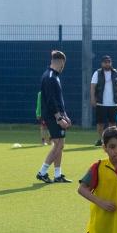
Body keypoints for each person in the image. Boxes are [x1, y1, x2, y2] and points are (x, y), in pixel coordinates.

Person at [37, 50, 71, 184]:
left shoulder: (54, 76)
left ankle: (58, 175)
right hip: (52, 116)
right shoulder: (50, 77)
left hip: (57, 115)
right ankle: (42, 172)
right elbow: (51, 101)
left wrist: (65, 115)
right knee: (57, 144)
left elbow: (58, 99)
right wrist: (59, 118)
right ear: (61, 62)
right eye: (64, 64)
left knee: (60, 144)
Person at [90, 55, 117, 146]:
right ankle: (100, 140)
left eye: (109, 62)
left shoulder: (116, 73)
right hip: (101, 102)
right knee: (100, 123)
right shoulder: (97, 73)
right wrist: (92, 98)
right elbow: (93, 86)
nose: (107, 64)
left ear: (111, 63)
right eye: (105, 62)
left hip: (114, 103)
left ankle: (110, 140)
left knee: (112, 123)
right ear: (102, 63)